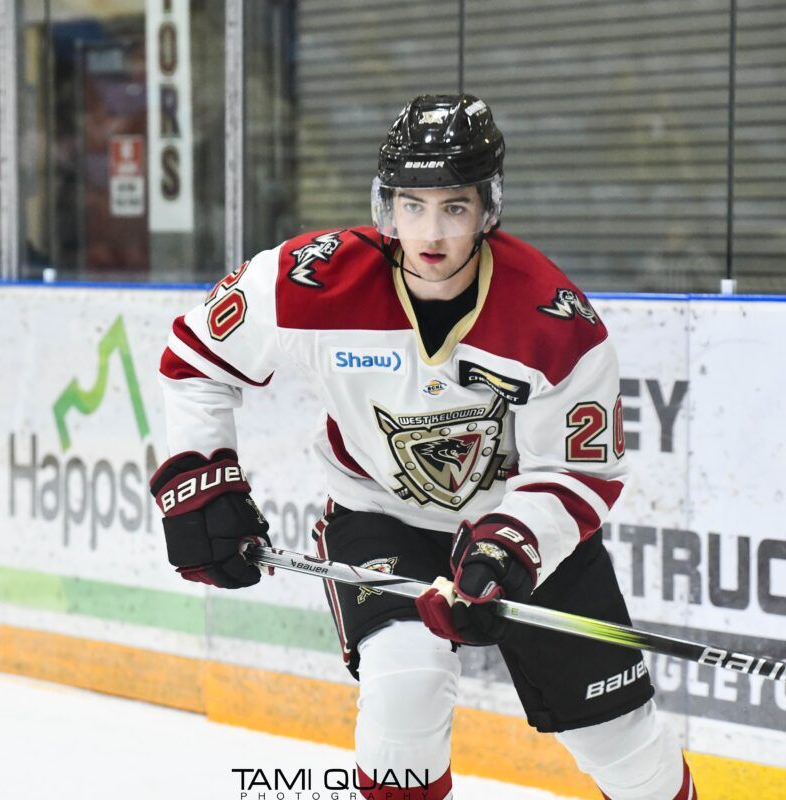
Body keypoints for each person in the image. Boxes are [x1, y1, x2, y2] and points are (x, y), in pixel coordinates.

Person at [149, 94, 697, 800]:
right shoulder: (307, 282)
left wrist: (507, 550)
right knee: (403, 690)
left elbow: (577, 472)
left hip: (526, 536)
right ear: (387, 206)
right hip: (381, 518)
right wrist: (201, 480)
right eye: (412, 206)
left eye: (455, 208)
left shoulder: (554, 322)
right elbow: (196, 360)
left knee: (626, 750)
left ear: (488, 208)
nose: (431, 232)